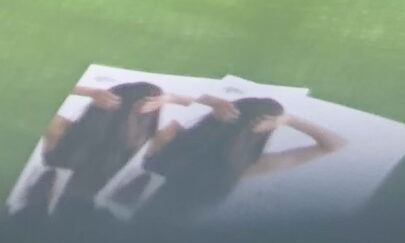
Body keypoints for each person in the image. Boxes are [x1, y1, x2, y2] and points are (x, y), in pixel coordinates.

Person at [104, 96, 344, 227]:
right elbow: (334, 144)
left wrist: (212, 103)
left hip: (111, 223)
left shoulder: (172, 135)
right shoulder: (244, 167)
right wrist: (289, 120)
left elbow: (154, 101)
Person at [2, 80, 181, 234]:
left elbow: (30, 93)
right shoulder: (154, 144)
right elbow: (194, 110)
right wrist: (169, 98)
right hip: (95, 229)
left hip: (34, 222)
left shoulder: (63, 131)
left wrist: (91, 93)